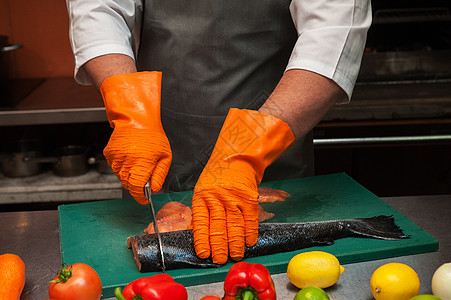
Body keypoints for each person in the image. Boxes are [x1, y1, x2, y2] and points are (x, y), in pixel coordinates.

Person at [66, 0, 372, 264]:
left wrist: (245, 152)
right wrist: (132, 112)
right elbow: (99, 8)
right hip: (157, 139)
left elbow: (333, 34)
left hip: (273, 143)